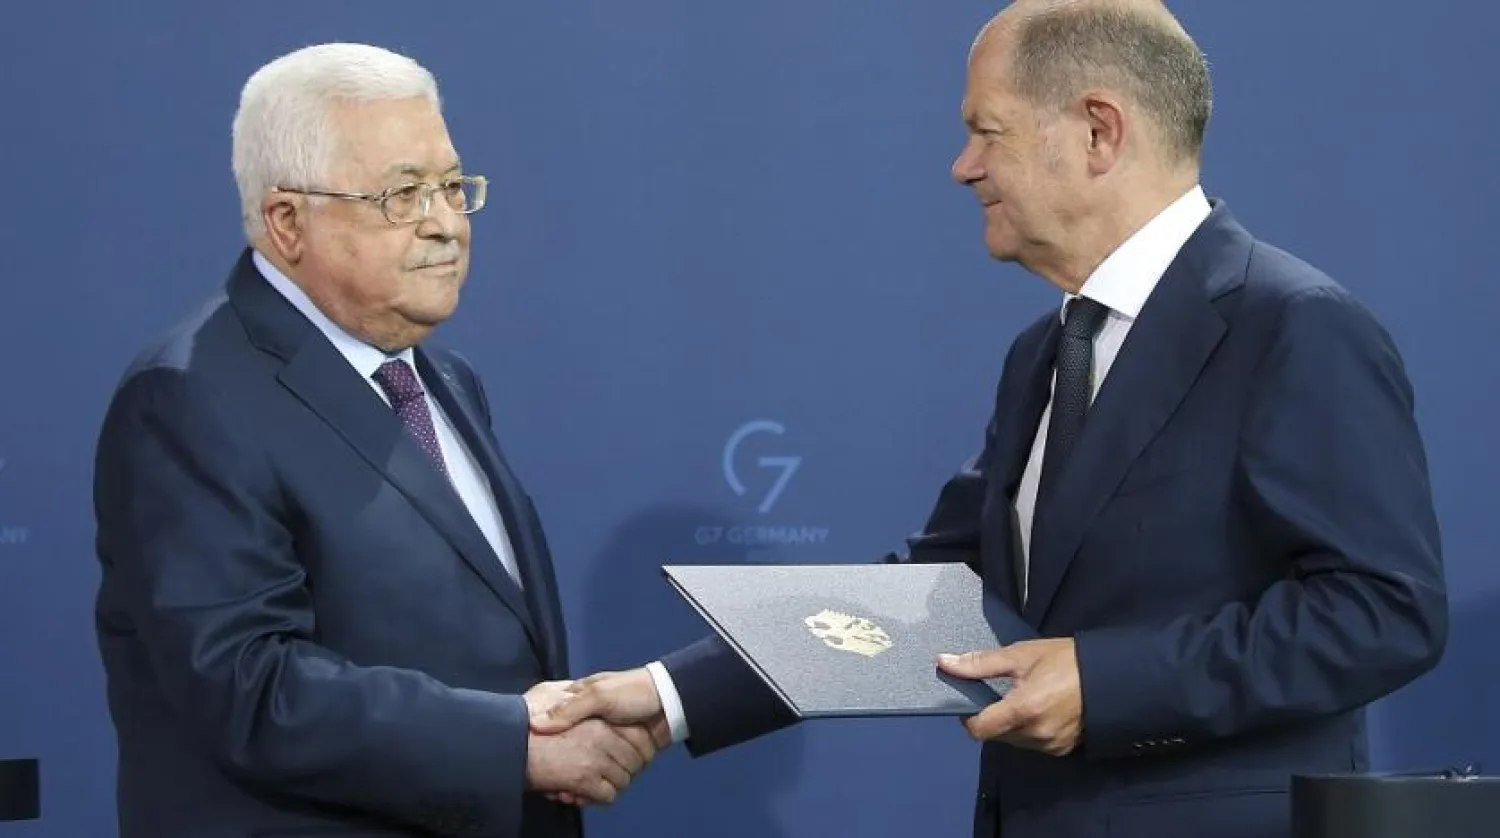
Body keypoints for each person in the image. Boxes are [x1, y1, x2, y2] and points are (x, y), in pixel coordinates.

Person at [533, 2, 1449, 836]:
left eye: (987, 131)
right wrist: (668, 695)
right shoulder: (1045, 351)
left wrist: (1106, 681)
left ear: (1098, 131)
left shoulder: (1292, 326)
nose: (963, 165)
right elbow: (935, 595)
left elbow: (1382, 611)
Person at [91, 43, 663, 838]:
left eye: (453, 187)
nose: (445, 225)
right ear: (288, 222)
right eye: (402, 195)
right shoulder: (189, 396)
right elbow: (247, 684)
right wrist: (509, 743)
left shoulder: (443, 378)